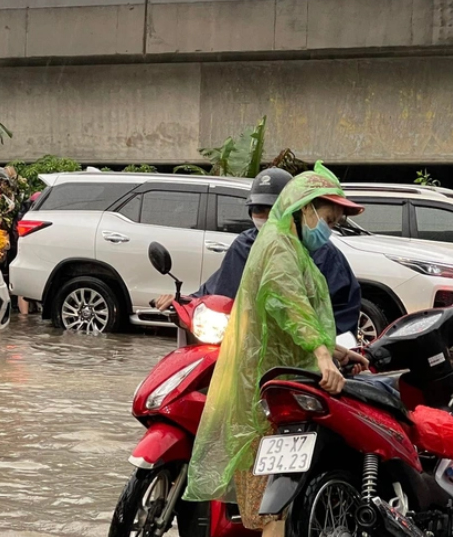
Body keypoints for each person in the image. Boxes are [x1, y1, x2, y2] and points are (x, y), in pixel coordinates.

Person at [183, 162, 369, 537]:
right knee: (272, 507)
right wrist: (319, 351)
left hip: (286, 384)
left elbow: (294, 313)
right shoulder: (279, 246)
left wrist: (333, 349)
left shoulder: (294, 247)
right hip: (267, 392)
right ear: (305, 209)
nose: (329, 230)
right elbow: (288, 302)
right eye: (328, 219)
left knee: (276, 501)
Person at [155, 168, 362, 337]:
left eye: (272, 210)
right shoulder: (245, 246)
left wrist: (326, 350)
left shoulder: (325, 258)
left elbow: (337, 317)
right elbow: (218, 290)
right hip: (243, 346)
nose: (265, 217)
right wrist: (183, 301)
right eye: (257, 210)